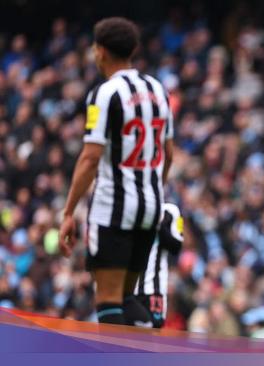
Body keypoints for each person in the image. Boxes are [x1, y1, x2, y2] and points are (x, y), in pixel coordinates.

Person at [58, 17, 174, 325]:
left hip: (113, 208)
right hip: (150, 206)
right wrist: (153, 191)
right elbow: (169, 152)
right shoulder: (158, 90)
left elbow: (90, 158)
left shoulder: (104, 94)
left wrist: (69, 210)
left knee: (108, 300)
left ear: (100, 51)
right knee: (127, 297)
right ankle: (148, 335)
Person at [133, 203, 184, 328]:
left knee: (151, 335)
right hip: (127, 289)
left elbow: (176, 246)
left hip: (153, 289)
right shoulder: (130, 205)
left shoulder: (171, 210)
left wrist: (156, 221)